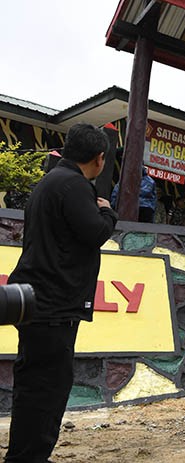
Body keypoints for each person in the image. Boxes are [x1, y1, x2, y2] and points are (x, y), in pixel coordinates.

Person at [5, 123, 118, 462]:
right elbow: (95, 232)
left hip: (37, 301)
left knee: (34, 387)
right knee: (47, 390)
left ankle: (24, 455)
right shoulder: (74, 185)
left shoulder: (50, 181)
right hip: (53, 306)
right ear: (99, 158)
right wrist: (107, 211)